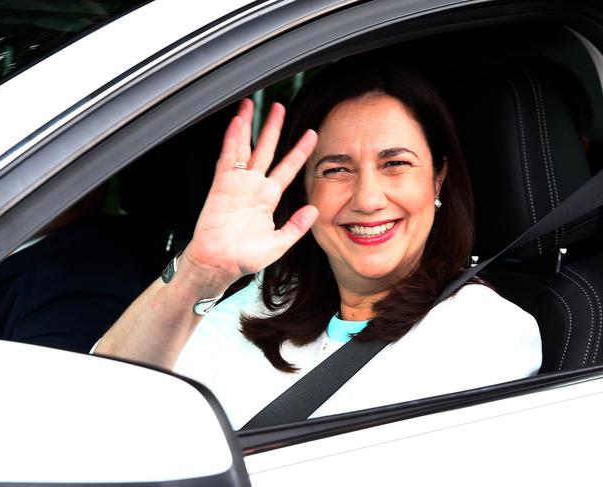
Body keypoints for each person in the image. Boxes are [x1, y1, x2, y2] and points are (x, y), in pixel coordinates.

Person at [95, 57, 541, 429]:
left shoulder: (484, 332)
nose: (368, 199)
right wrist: (200, 271)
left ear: (438, 178)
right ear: (304, 190)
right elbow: (107, 403)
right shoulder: (269, 300)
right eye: (336, 169)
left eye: (396, 164)